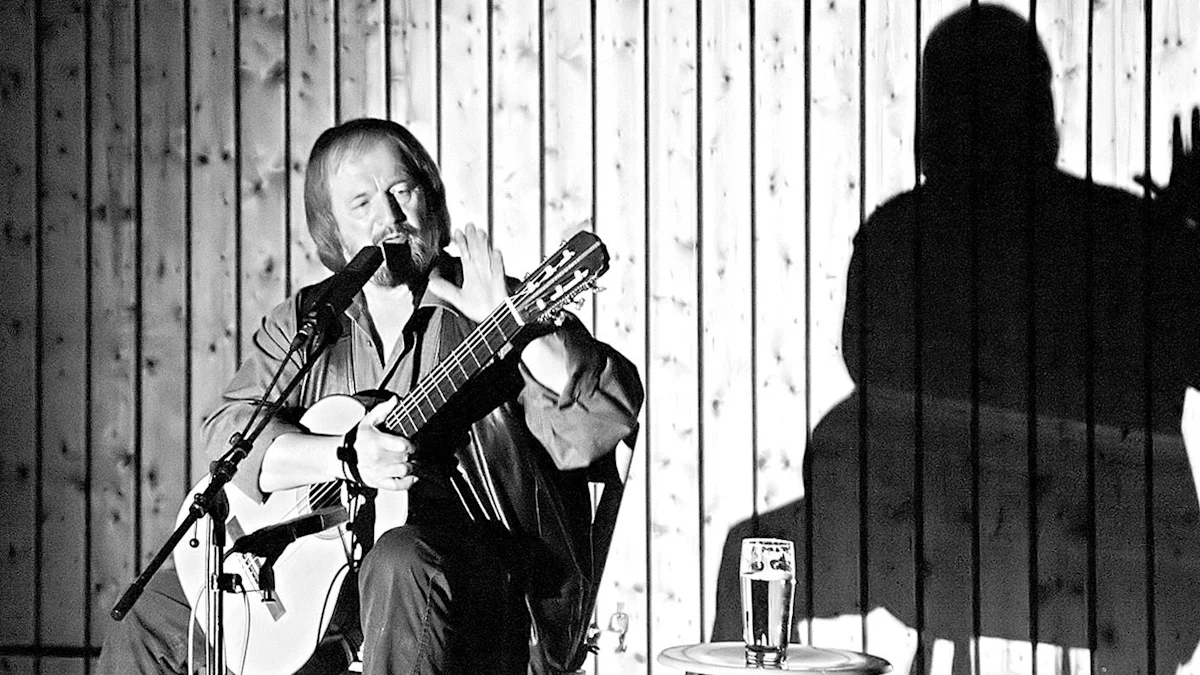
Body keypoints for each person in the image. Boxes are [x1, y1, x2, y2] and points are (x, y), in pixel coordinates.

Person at [714, 5, 1200, 674]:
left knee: (755, 552)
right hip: (1113, 577)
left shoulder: (897, 235)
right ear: (1041, 109)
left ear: (933, 116)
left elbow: (867, 367)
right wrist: (1182, 242)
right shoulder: (1131, 234)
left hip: (934, 559)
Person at [98, 118, 644, 675]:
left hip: (478, 596)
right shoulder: (309, 321)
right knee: (146, 618)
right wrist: (342, 456)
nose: (389, 216)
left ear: (430, 200)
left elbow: (602, 420)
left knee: (400, 558)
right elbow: (229, 430)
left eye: (402, 191)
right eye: (362, 203)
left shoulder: (496, 306)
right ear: (334, 232)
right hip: (326, 580)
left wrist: (515, 328)